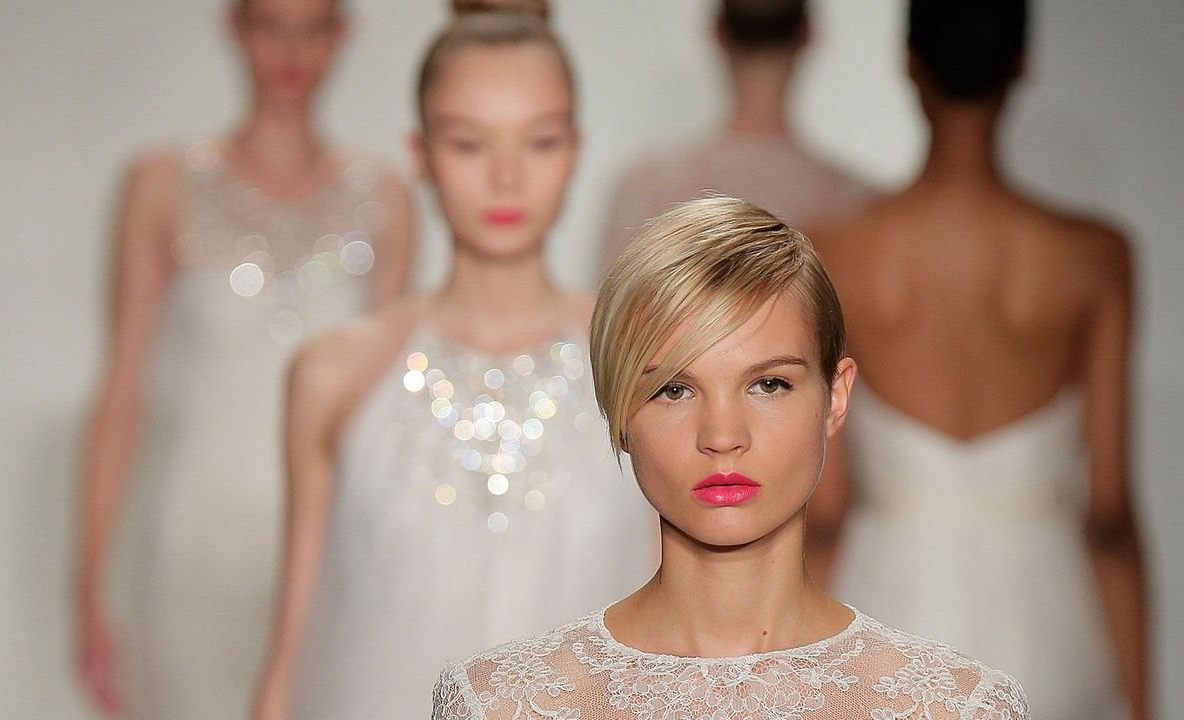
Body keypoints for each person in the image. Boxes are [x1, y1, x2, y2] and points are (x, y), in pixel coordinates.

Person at [432, 196, 1028, 720]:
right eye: (674, 390)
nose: (722, 436)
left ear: (835, 397)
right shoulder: (501, 704)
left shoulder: (955, 708)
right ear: (616, 411)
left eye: (768, 385)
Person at [252, 3, 656, 718]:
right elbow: (296, 639)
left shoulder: (647, 365)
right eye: (470, 144)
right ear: (421, 154)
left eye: (540, 142)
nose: (506, 176)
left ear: (576, 148)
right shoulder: (335, 373)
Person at [805, 2, 1151, 719]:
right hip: (1046, 615)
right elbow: (1110, 508)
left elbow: (826, 509)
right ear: (1022, 63)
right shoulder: (1094, 258)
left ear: (907, 62)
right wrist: (1145, 699)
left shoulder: (838, 253)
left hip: (882, 607)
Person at [72, 0, 415, 716]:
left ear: (340, 34)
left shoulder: (385, 199)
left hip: (332, 555)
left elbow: (389, 409)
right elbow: (121, 394)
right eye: (269, 24)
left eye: (311, 27)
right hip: (191, 549)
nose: (290, 50)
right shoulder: (162, 184)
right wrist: (87, 586)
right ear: (235, 26)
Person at [596, 0, 870, 277]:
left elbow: (609, 313)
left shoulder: (647, 189)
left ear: (717, 32)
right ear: (807, 34)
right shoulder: (856, 204)